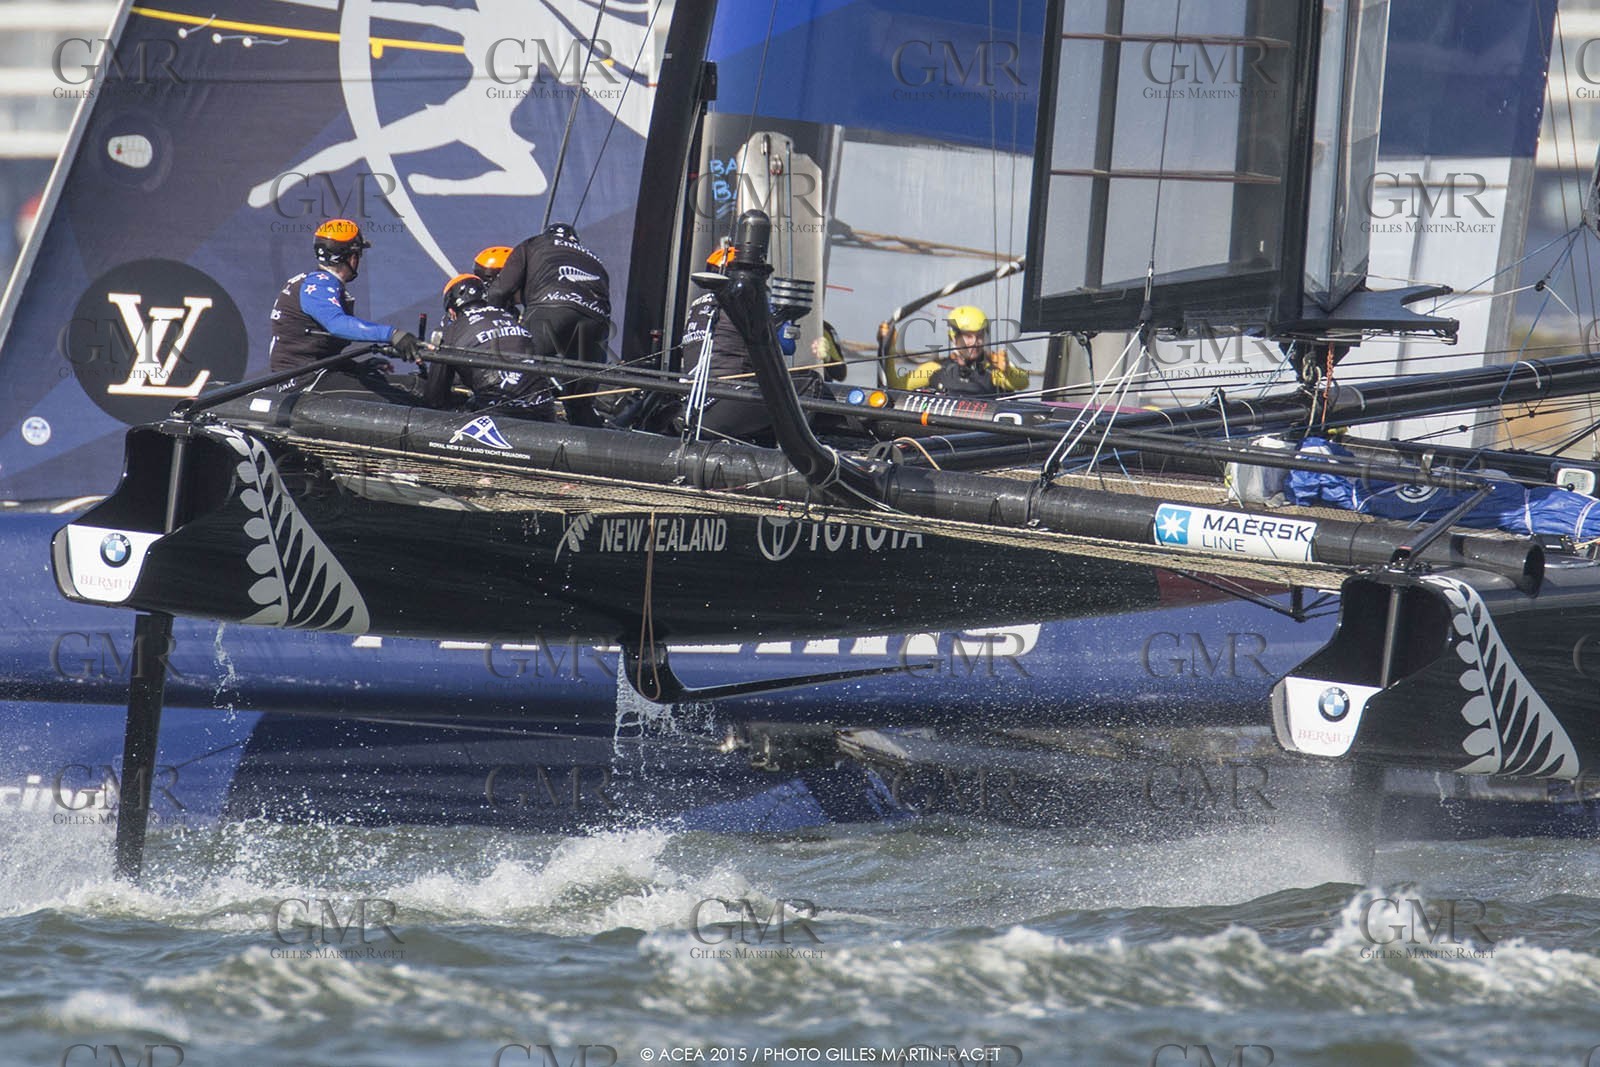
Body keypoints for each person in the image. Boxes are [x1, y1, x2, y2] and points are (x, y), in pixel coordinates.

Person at [484, 222, 610, 427]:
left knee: (518, 379)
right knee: (580, 404)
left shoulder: (532, 244)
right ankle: (593, 452)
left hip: (552, 308)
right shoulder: (595, 259)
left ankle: (507, 438)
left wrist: (490, 325)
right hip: (598, 321)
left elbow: (499, 291)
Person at [268, 219, 420, 386]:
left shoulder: (316, 283)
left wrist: (355, 368)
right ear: (351, 257)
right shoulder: (318, 285)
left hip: (308, 376)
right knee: (410, 390)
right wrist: (392, 335)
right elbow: (337, 325)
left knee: (395, 386)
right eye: (358, 254)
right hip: (306, 381)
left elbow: (314, 349)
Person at [420, 274, 555, 419]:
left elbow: (434, 397)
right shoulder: (509, 316)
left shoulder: (450, 331)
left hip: (501, 410)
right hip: (545, 405)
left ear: (452, 312)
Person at [879, 305, 1026, 397]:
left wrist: (1006, 370)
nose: (974, 342)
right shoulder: (935, 369)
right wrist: (888, 348)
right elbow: (896, 388)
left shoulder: (993, 369)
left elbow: (1021, 383)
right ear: (954, 337)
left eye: (979, 336)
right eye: (968, 336)